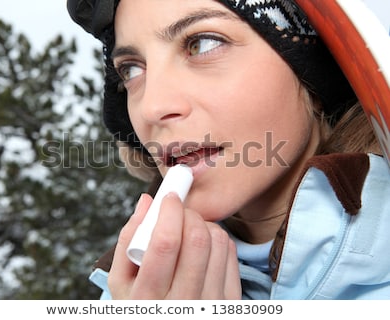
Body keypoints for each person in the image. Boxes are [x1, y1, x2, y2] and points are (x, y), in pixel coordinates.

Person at [67, 0, 390, 299]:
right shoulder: (130, 293)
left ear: (312, 74)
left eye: (202, 44)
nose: (152, 107)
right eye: (132, 70)